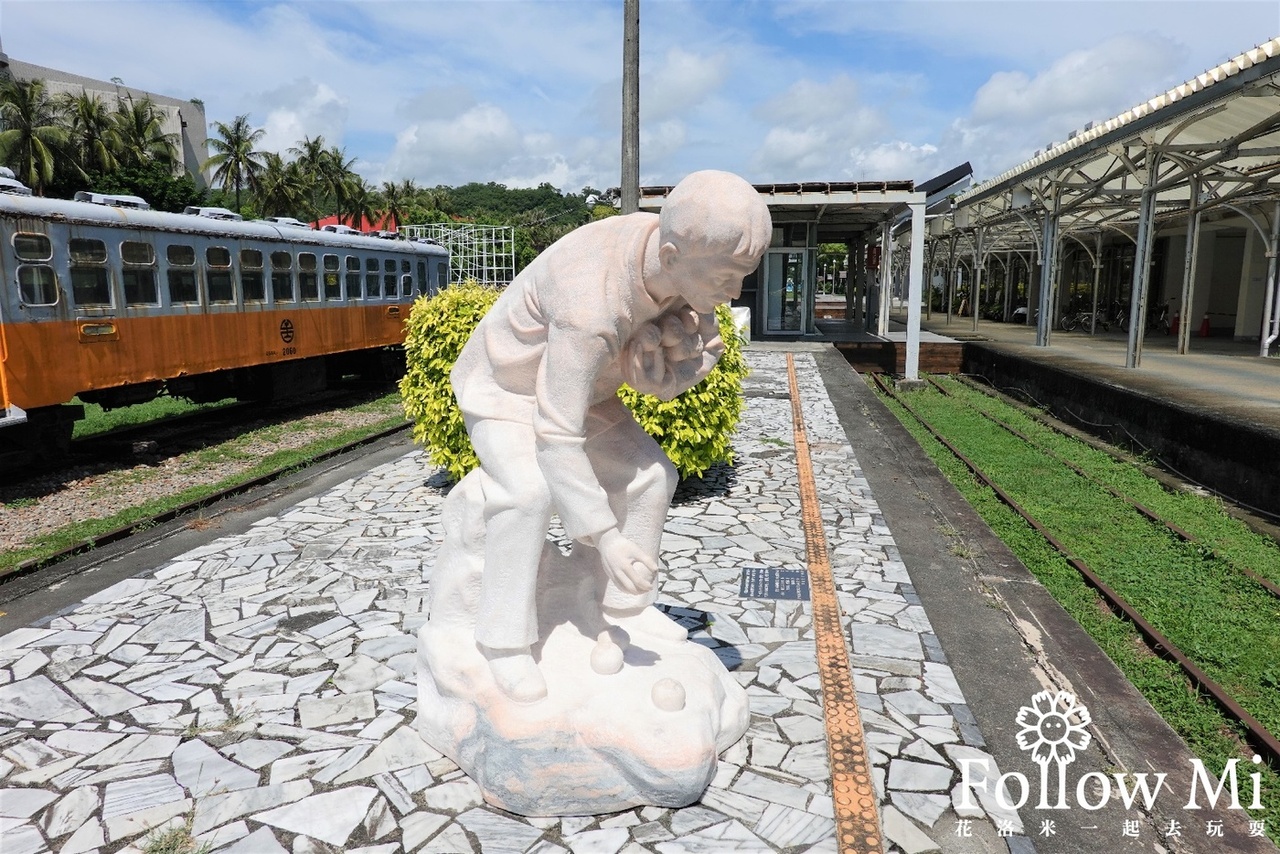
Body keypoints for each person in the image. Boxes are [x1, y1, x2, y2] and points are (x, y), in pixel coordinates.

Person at [448, 170, 771, 703]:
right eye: (724, 279)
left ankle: (623, 613)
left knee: (651, 475)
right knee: (527, 494)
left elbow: (689, 361)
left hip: (581, 393)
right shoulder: (589, 302)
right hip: (508, 391)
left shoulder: (677, 252)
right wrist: (607, 537)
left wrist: (673, 369)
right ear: (670, 257)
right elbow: (556, 433)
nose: (735, 293)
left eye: (742, 276)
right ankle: (503, 643)